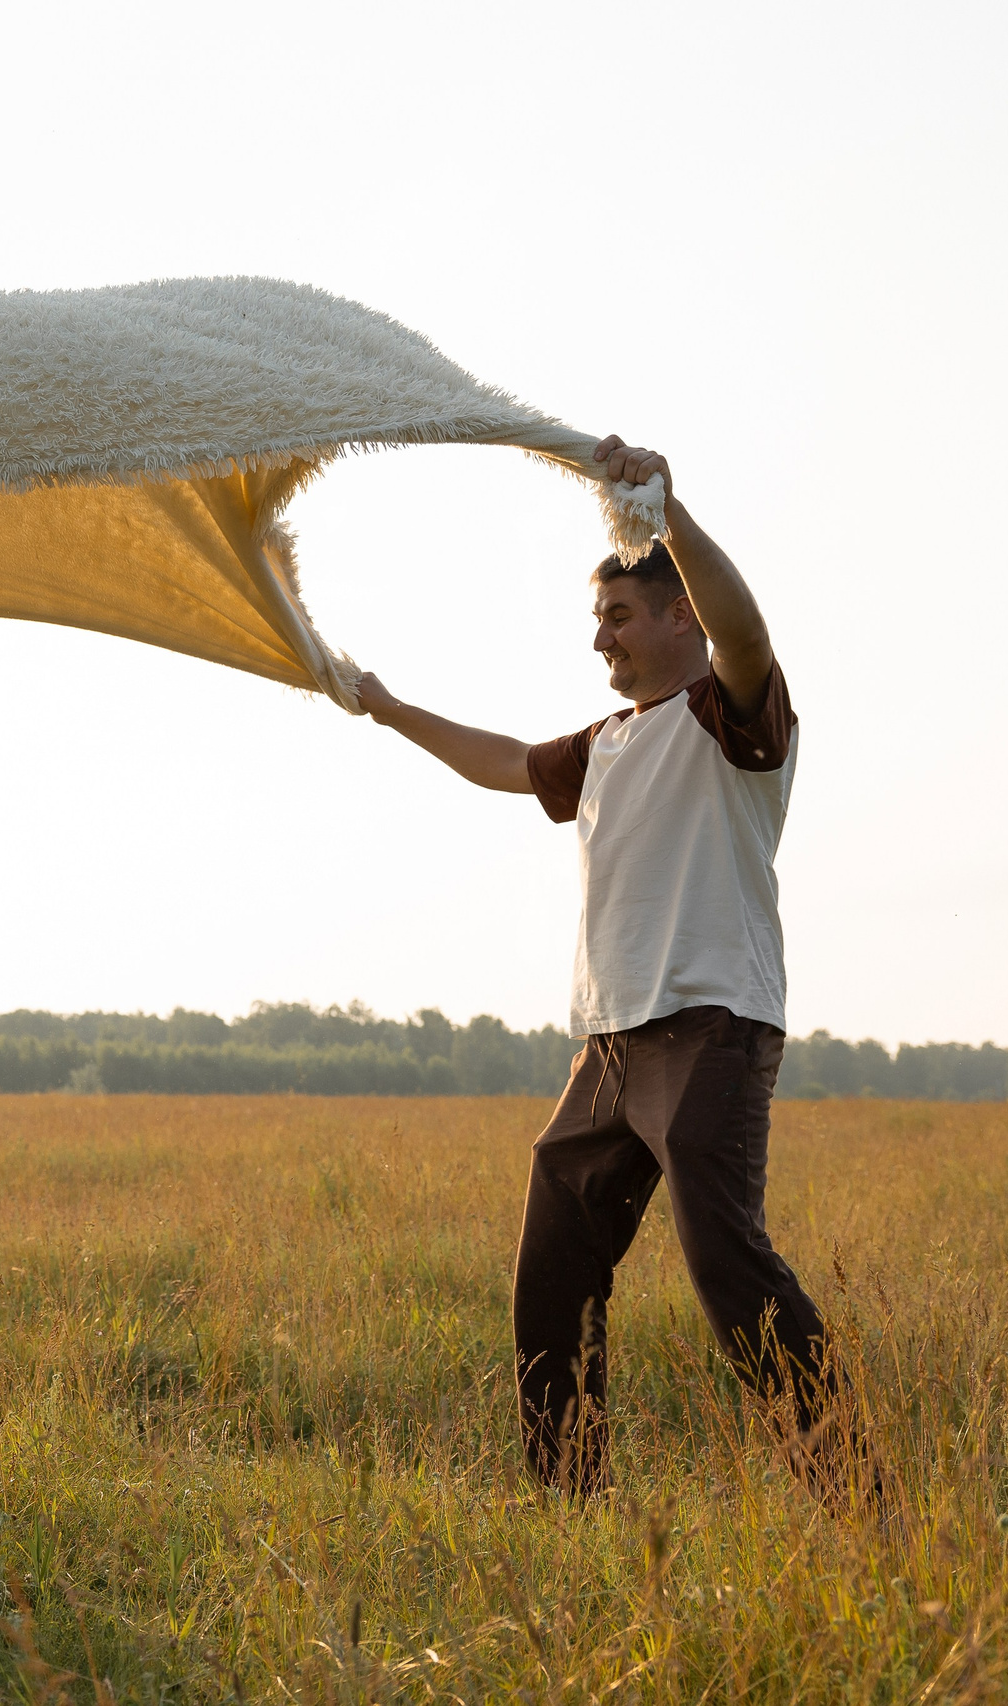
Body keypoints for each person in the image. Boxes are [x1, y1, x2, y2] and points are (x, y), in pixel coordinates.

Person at [355, 437, 835, 1497]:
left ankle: (855, 1492)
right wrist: (388, 707)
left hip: (711, 1031)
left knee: (729, 1272)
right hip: (608, 1052)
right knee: (550, 1282)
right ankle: (569, 1503)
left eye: (618, 616)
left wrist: (664, 514)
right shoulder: (608, 741)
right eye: (595, 620)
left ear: (680, 618)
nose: (600, 638)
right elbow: (500, 760)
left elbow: (745, 628)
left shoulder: (732, 716)